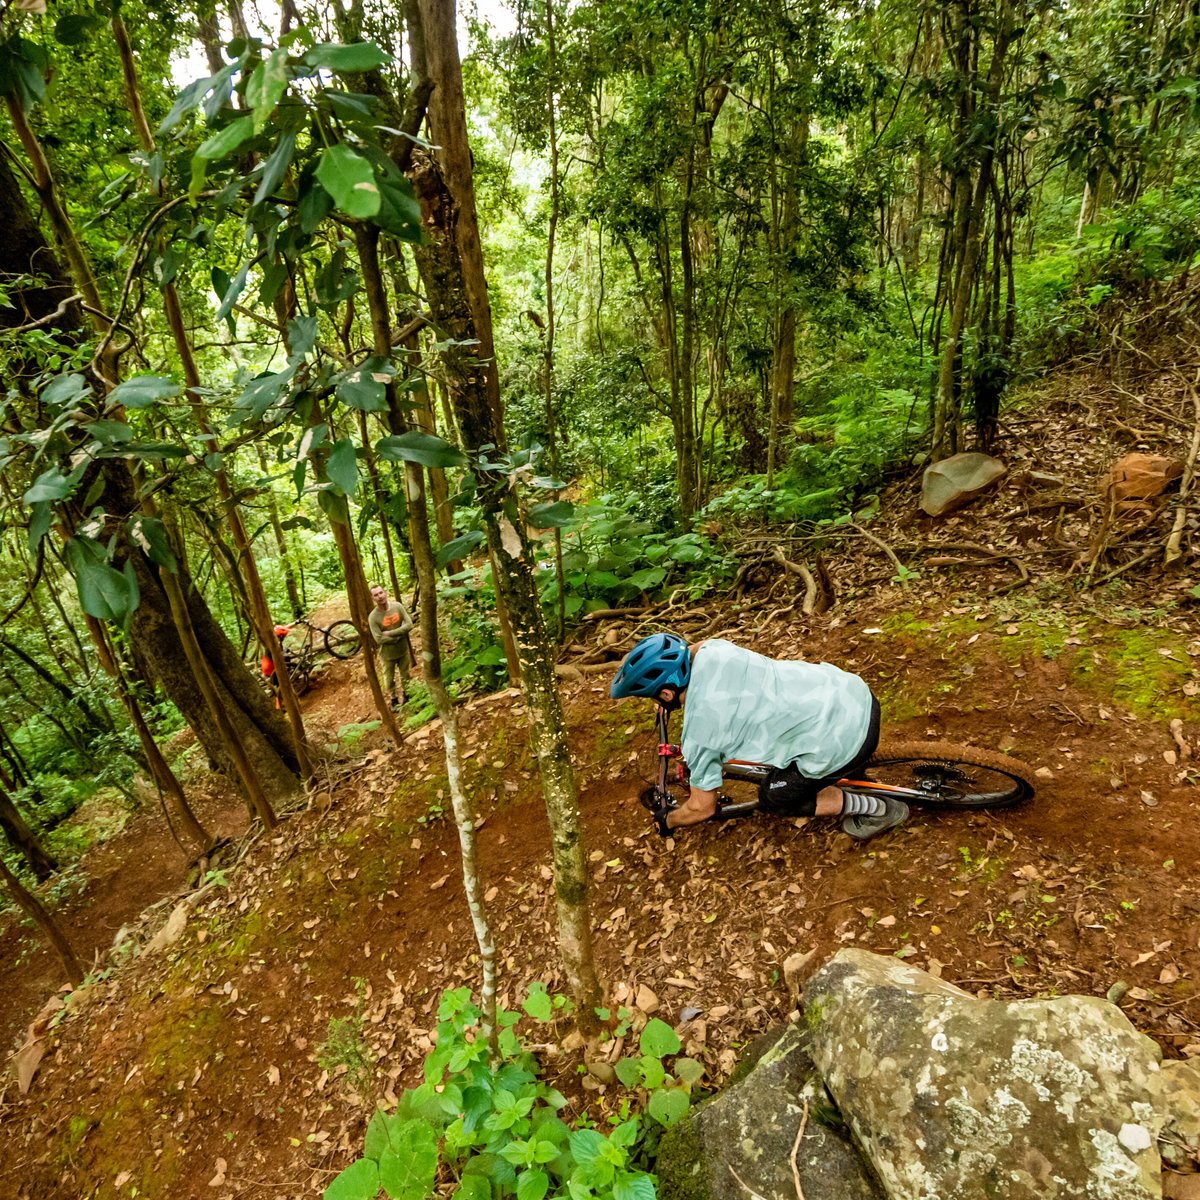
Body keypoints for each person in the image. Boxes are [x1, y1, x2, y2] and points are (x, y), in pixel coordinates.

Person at [610, 632, 908, 841]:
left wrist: (668, 819)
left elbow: (703, 807)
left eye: (654, 698)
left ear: (665, 693)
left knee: (775, 798)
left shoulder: (701, 735)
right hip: (853, 693)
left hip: (846, 740)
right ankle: (851, 771)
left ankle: (880, 810)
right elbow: (694, 649)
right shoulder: (715, 650)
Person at [368, 585, 415, 709]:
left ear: (385, 592)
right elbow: (378, 638)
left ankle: (407, 696)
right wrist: (399, 635)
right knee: (388, 680)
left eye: (381, 593)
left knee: (405, 674)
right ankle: (393, 699)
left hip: (403, 650)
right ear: (373, 598)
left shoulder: (397, 607)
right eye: (376, 595)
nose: (380, 597)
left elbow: (409, 624)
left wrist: (391, 633)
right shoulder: (373, 617)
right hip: (387, 655)